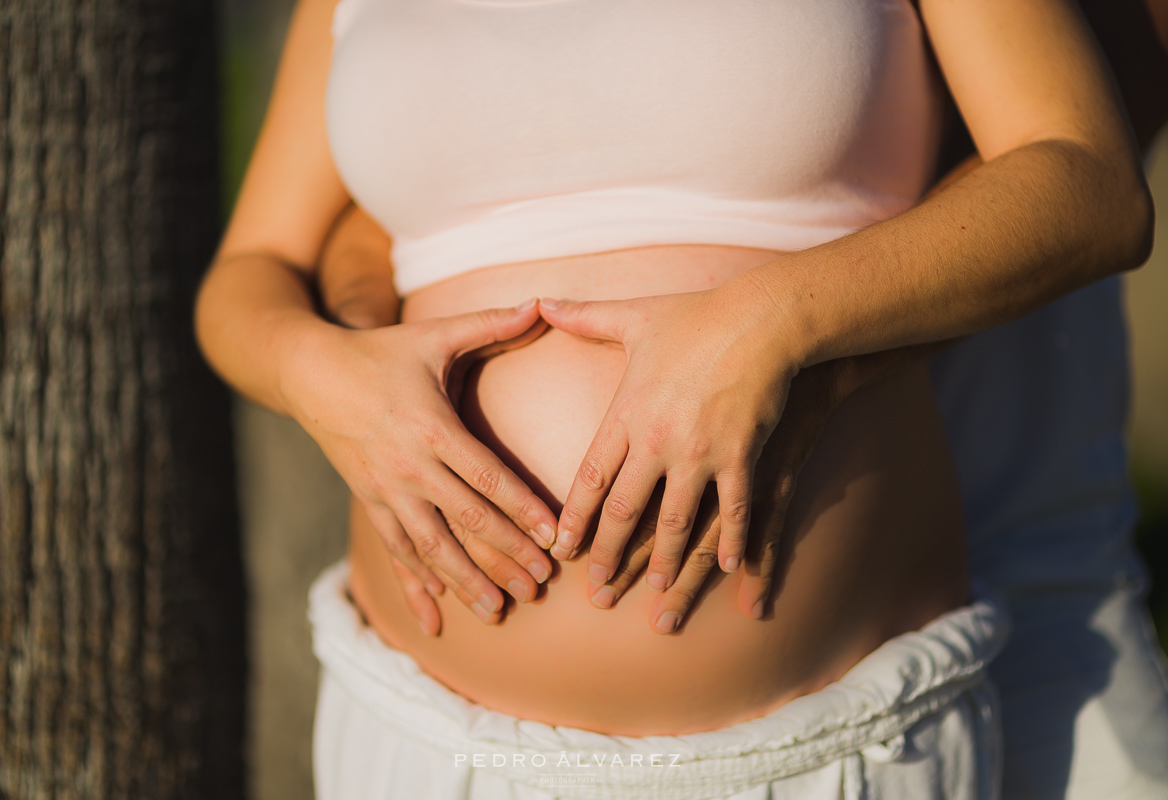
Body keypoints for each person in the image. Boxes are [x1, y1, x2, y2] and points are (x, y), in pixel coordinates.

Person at [195, 0, 1159, 796]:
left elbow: (1086, 181)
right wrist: (319, 374)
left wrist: (774, 323)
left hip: (835, 747)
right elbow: (254, 267)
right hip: (421, 744)